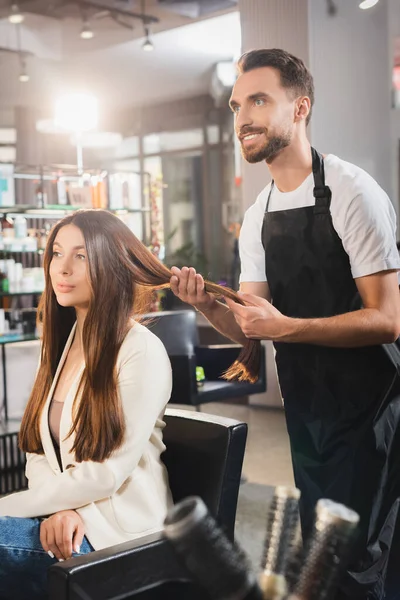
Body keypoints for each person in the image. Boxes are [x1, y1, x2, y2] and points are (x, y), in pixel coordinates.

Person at [170, 49, 400, 600]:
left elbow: (388, 320)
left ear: (300, 108)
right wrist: (204, 304)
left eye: (258, 100)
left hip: (371, 413)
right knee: (323, 559)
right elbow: (252, 324)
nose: (242, 117)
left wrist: (287, 327)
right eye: (235, 105)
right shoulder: (258, 215)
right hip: (308, 415)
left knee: (362, 562)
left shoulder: (351, 191)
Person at [0, 210, 178, 599]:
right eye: (57, 253)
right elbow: (38, 449)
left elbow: (105, 475)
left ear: (111, 263)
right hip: (70, 523)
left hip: (118, 537)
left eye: (80, 256)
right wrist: (59, 510)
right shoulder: (63, 344)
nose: (61, 269)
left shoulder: (140, 351)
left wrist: (10, 506)